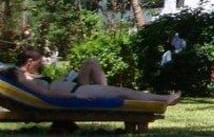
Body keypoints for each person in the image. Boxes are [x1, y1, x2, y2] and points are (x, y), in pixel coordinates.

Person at [8, 47, 181, 105]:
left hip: (75, 87)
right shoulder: (22, 76)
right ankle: (164, 99)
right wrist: (71, 96)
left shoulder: (29, 77)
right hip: (77, 92)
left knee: (92, 63)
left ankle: (162, 98)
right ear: (29, 61)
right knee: (123, 92)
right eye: (39, 62)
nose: (42, 64)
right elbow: (45, 94)